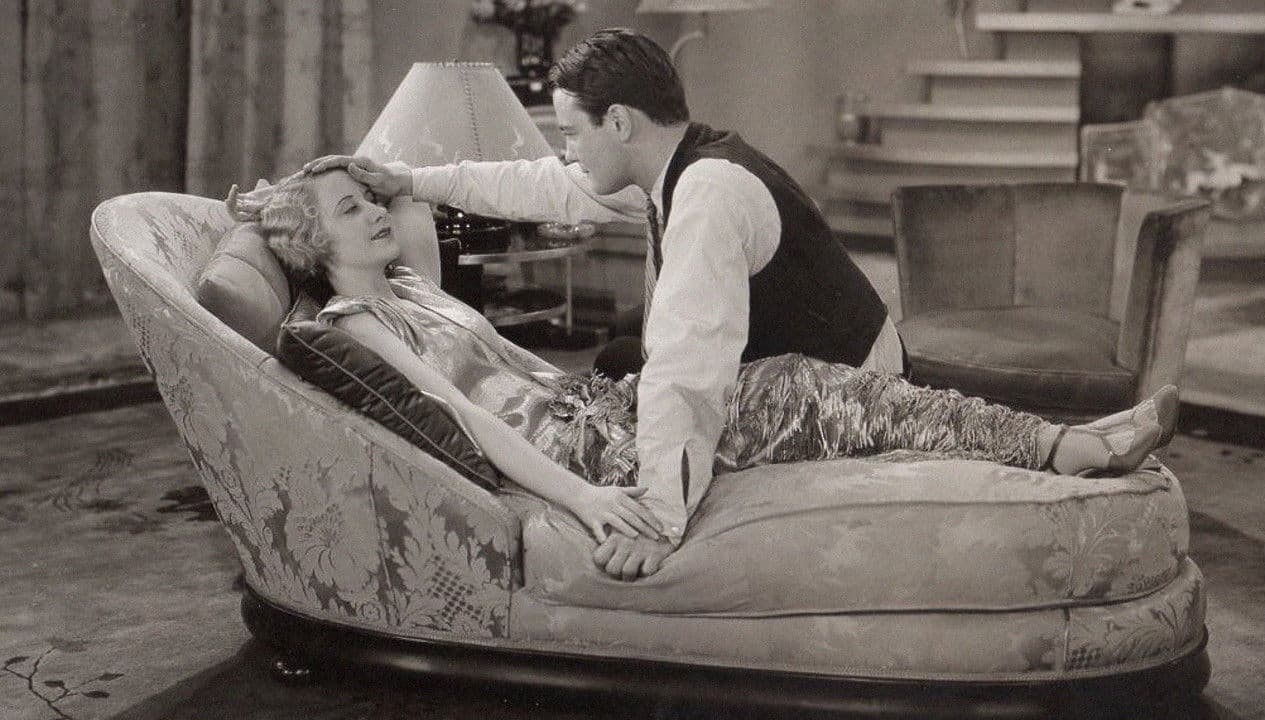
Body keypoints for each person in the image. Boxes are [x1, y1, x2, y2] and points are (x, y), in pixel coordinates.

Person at [228, 167, 1178, 582]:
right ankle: (1062, 446)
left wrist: (309, 190)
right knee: (816, 390)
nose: (374, 214)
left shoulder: (405, 282)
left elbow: (407, 201)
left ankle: (1051, 444)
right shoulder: (354, 322)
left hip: (602, 409)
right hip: (587, 451)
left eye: (365, 201)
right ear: (315, 244)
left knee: (821, 391)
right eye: (349, 211)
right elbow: (464, 420)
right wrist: (589, 501)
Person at [295, 28, 913, 578]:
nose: (568, 153)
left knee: (645, 371)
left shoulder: (707, 193)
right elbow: (544, 185)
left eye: (570, 133)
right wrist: (410, 180)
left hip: (841, 382)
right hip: (815, 354)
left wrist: (660, 518)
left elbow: (687, 369)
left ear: (618, 123)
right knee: (620, 359)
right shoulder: (677, 161)